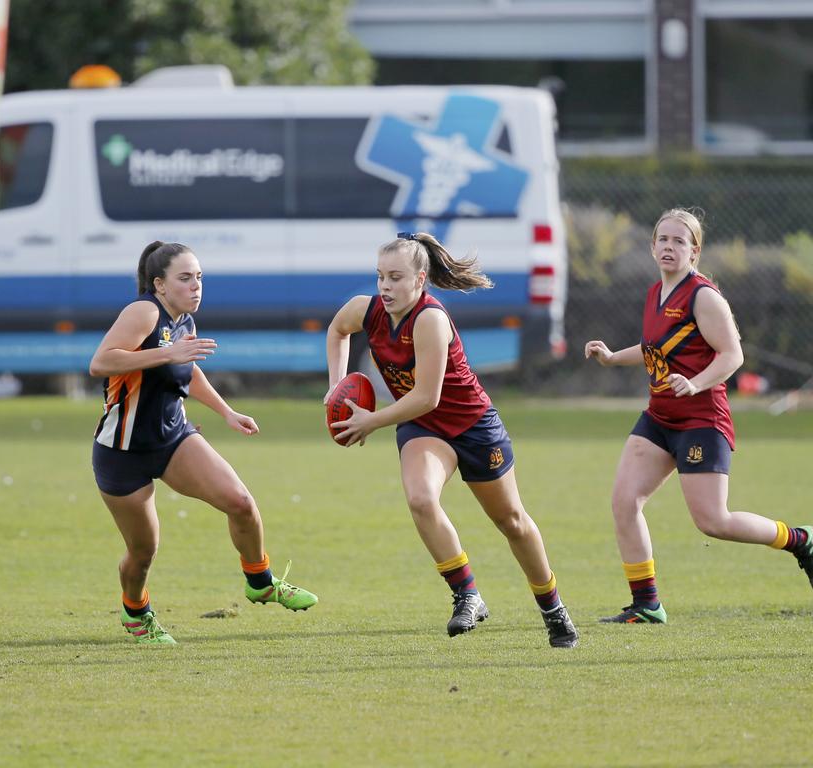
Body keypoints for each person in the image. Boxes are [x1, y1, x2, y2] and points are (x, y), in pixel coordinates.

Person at [325, 232, 579, 648]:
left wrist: (372, 421)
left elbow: (428, 396)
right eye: (380, 277)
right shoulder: (366, 310)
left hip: (472, 426)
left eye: (395, 277)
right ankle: (467, 594)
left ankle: (553, 607)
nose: (385, 287)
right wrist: (336, 387)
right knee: (421, 499)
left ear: (420, 279)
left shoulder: (429, 319)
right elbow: (337, 330)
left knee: (511, 521)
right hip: (423, 426)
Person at [584, 208, 813, 624]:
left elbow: (732, 355)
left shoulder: (703, 296)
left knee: (713, 521)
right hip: (660, 418)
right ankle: (647, 604)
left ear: (695, 251)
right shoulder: (656, 293)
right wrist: (613, 357)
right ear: (653, 246)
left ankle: (800, 539)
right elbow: (655, 347)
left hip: (701, 421)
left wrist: (696, 383)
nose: (669, 247)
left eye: (679, 241)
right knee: (624, 501)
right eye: (663, 240)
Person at [89, 240, 317, 645]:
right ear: (159, 284)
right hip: (122, 452)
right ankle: (136, 613)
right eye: (185, 278)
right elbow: (101, 362)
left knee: (241, 503)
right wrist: (165, 353)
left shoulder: (184, 321)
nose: (196, 287)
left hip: (173, 439)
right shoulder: (143, 312)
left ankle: (260, 581)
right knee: (143, 551)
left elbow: (188, 372)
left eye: (199, 278)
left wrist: (227, 412)